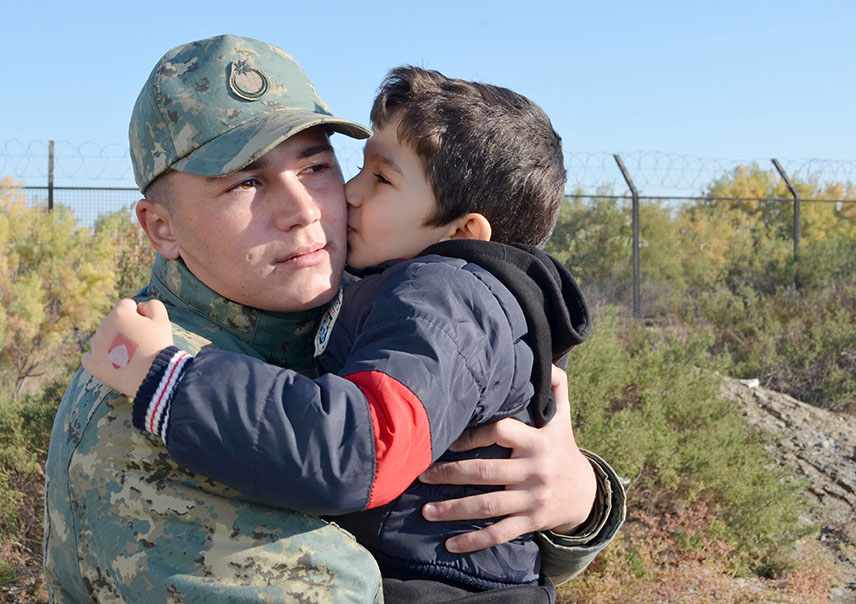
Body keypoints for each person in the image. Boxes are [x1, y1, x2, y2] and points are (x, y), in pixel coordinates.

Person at [44, 34, 624, 604]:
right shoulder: (142, 406)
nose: (305, 211)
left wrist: (579, 500)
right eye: (246, 182)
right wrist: (165, 379)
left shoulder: (379, 303)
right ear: (162, 228)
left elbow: (463, 516)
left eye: (316, 166)